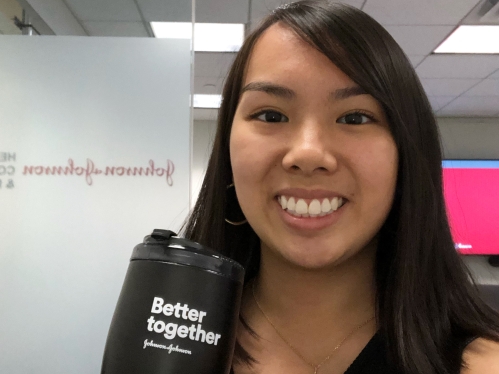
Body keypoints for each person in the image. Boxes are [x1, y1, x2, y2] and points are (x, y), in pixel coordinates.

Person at [183, 1, 499, 373]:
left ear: (405, 154)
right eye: (271, 115)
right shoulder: (169, 345)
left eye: (354, 117)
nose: (308, 153)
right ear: (228, 151)